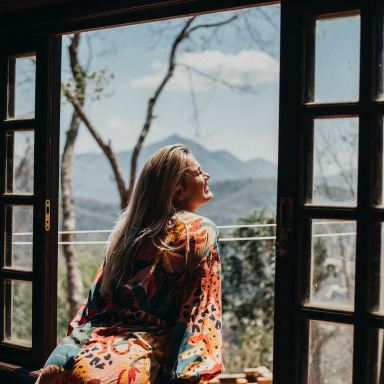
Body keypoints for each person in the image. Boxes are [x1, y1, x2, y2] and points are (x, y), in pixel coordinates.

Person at [36, 143, 223, 384]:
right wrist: (181, 375)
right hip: (135, 357)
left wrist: (66, 352)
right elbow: (199, 311)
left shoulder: (126, 235)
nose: (206, 175)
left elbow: (94, 304)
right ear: (178, 191)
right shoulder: (199, 231)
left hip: (84, 348)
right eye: (198, 172)